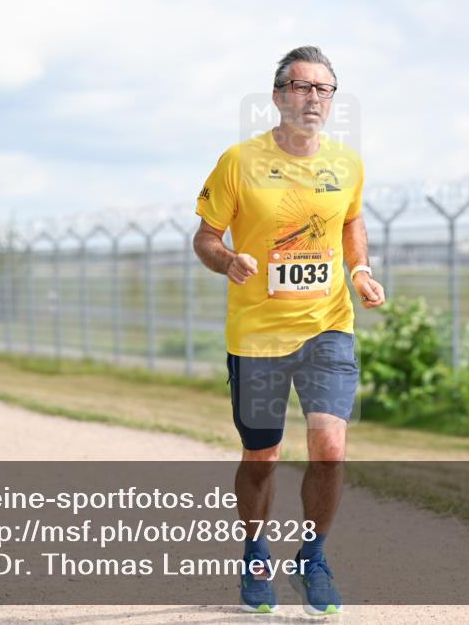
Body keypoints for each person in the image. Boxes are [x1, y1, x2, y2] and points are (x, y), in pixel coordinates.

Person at [193, 46, 385, 615]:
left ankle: (314, 554)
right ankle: (255, 550)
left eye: (324, 90)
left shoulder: (347, 163)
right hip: (256, 337)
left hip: (328, 326)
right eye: (302, 88)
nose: (313, 99)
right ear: (277, 96)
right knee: (263, 457)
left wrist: (361, 271)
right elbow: (204, 237)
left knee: (330, 447)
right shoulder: (238, 161)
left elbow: (351, 220)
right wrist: (226, 260)